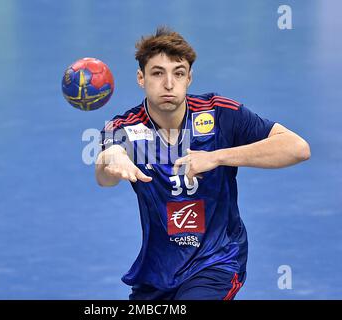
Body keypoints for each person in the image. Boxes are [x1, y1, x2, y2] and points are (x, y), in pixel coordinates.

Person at [95, 26, 311, 300]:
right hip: (159, 271)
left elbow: (297, 148)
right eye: (158, 73)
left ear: (189, 78)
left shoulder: (220, 113)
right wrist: (112, 158)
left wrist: (217, 156)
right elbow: (105, 173)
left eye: (179, 73)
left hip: (216, 260)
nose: (169, 84)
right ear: (141, 78)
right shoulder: (125, 127)